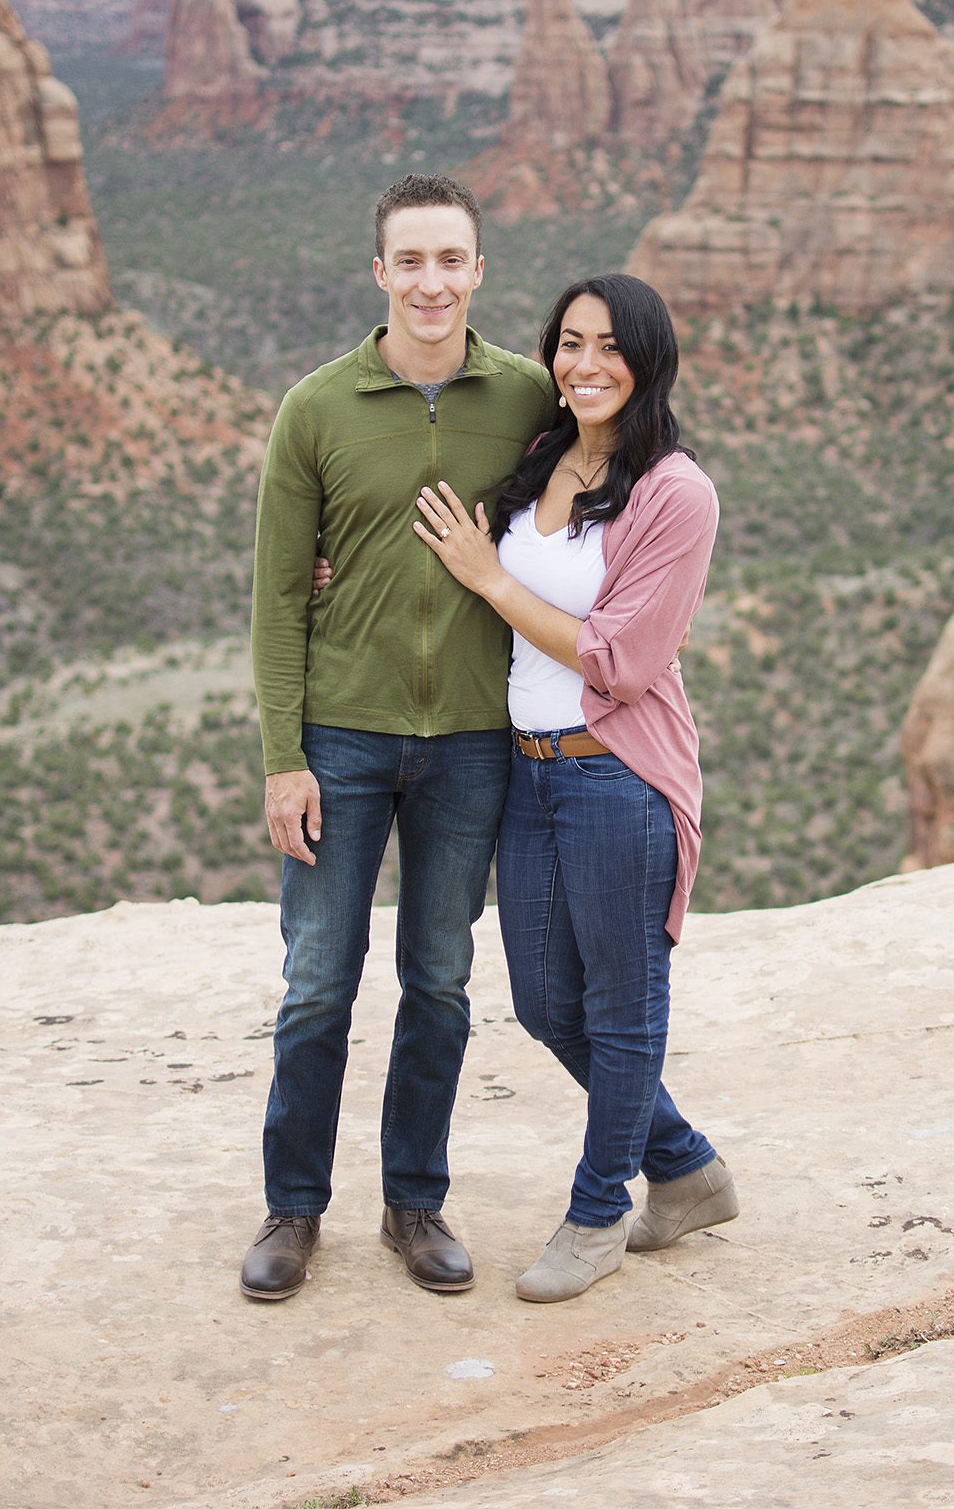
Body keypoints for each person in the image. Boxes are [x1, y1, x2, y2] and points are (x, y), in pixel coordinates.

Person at [239, 172, 555, 1302]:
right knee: (319, 982)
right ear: (381, 274)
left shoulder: (528, 398)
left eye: (450, 260)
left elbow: (608, 489)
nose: (431, 282)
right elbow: (279, 595)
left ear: (479, 270)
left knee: (441, 979)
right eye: (409, 261)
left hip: (473, 744)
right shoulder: (317, 407)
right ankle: (292, 1211)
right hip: (341, 741)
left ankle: (414, 1204)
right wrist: (285, 756)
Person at [410, 271, 738, 1303]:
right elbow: (460, 557)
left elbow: (623, 659)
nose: (585, 365)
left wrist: (490, 580)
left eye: (609, 346)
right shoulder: (545, 456)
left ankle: (600, 1214)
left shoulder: (676, 493)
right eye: (569, 342)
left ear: (649, 360)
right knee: (551, 1003)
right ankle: (685, 1167)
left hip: (617, 779)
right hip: (529, 773)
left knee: (625, 1006)